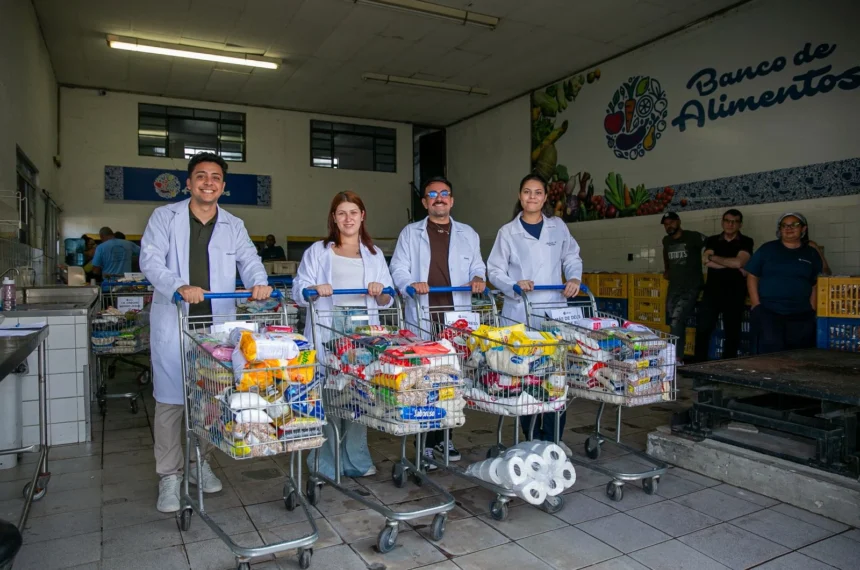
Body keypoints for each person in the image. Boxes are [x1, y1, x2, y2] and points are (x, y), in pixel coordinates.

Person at [140, 152, 272, 513]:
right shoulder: (164, 217)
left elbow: (250, 260)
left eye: (215, 177)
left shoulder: (233, 224)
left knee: (212, 397)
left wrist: (258, 282)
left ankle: (200, 463)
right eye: (201, 176)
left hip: (215, 328)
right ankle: (169, 476)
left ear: (223, 186)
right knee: (171, 403)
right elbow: (150, 260)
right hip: (175, 323)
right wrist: (179, 286)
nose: (208, 182)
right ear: (189, 183)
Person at [293, 191, 394, 479]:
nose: (348, 218)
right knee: (328, 393)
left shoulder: (373, 254)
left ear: (362, 216)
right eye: (342, 213)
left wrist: (380, 291)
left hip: (363, 330)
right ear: (334, 218)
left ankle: (357, 460)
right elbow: (299, 289)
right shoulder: (318, 251)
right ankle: (324, 463)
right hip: (330, 325)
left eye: (353, 212)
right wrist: (314, 290)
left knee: (360, 393)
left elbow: (387, 298)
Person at [390, 176, 486, 468]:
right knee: (423, 384)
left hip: (456, 321)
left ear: (452, 200)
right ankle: (424, 444)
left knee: (451, 383)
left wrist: (478, 278)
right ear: (425, 202)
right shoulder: (411, 233)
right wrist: (410, 284)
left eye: (444, 193)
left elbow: (477, 265)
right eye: (433, 194)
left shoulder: (468, 233)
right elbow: (398, 268)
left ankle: (445, 437)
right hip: (423, 317)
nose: (439, 198)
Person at [487, 173, 582, 453]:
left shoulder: (558, 227)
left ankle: (553, 438)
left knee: (555, 376)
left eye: (538, 192)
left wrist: (573, 278)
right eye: (527, 192)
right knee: (525, 375)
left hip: (553, 311)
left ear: (545, 197)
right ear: (520, 196)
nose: (532, 197)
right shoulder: (508, 232)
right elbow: (494, 270)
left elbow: (571, 256)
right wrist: (513, 284)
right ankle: (530, 437)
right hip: (521, 313)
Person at [746, 213, 821, 354]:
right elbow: (752, 275)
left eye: (794, 225)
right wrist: (756, 304)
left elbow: (815, 284)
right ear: (779, 230)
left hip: (801, 314)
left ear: (803, 229)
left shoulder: (811, 253)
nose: (789, 228)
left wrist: (812, 309)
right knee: (769, 356)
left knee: (798, 356)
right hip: (769, 312)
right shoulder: (767, 249)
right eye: (784, 225)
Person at [694, 209, 754, 361]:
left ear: (740, 224)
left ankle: (728, 366)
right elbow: (706, 260)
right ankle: (698, 364)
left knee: (732, 332)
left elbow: (739, 262)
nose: (730, 224)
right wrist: (732, 264)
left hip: (735, 292)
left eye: (734, 221)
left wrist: (714, 258)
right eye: (727, 221)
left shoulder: (747, 241)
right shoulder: (712, 240)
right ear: (722, 222)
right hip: (712, 292)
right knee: (703, 329)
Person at [661, 212, 706, 364]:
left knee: (677, 319)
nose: (669, 226)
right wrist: (667, 270)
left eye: (671, 222)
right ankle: (674, 355)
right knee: (672, 319)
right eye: (666, 224)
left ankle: (676, 358)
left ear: (679, 221)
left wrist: (710, 258)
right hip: (674, 286)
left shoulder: (692, 236)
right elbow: (666, 255)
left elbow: (711, 243)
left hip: (691, 286)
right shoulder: (666, 240)